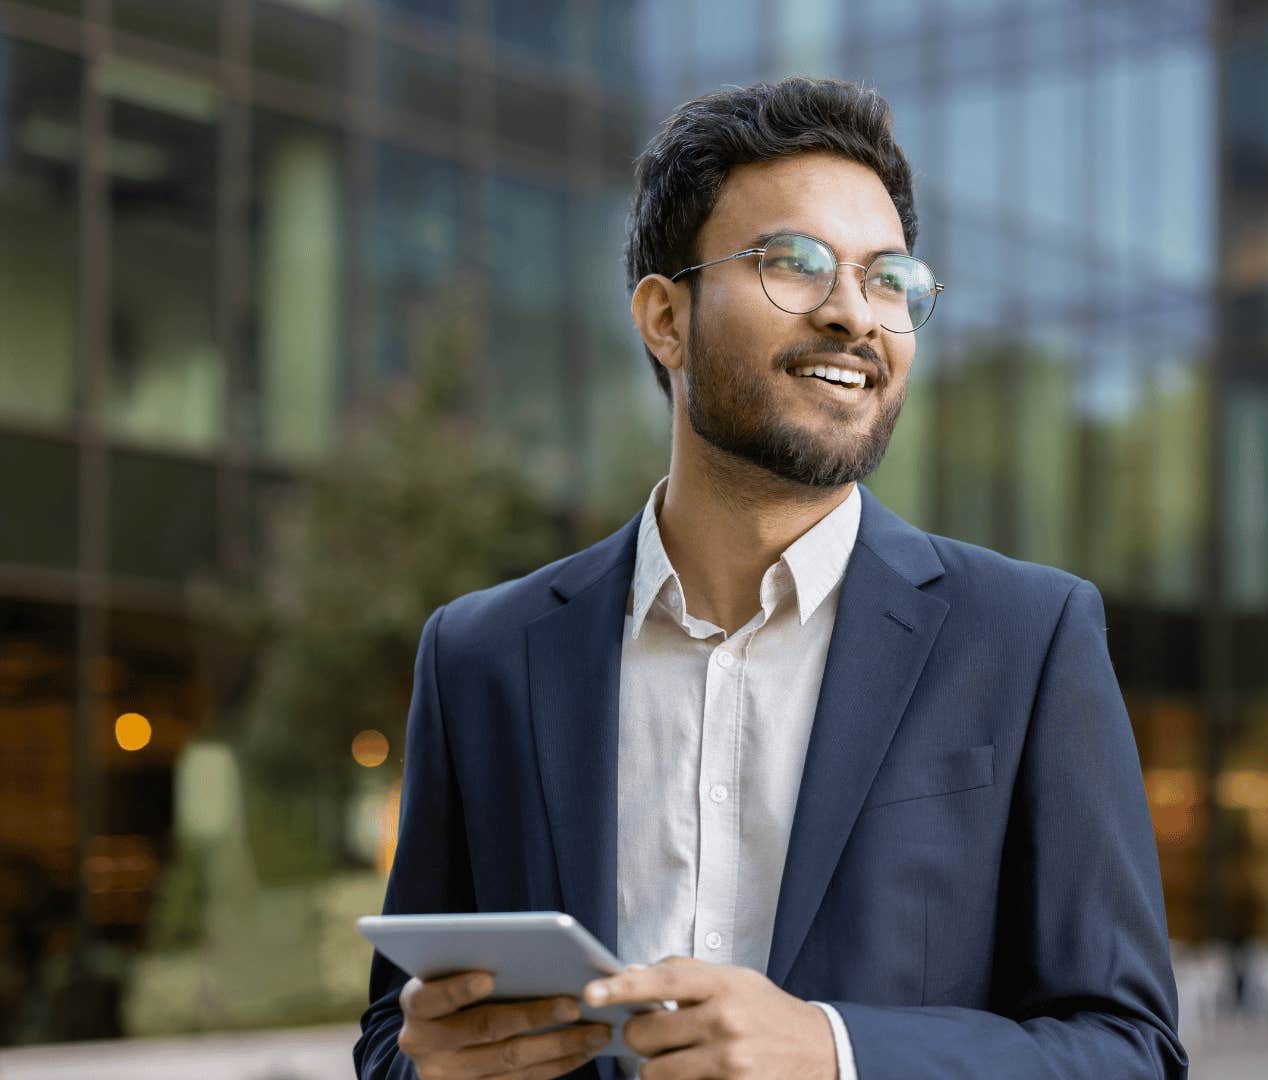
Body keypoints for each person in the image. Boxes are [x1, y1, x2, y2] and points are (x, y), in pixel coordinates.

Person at [353, 76, 1183, 1080]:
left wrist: (835, 1052)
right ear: (666, 320)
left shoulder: (1029, 638)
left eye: (889, 280)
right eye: (793, 263)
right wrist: (434, 1067)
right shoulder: (481, 655)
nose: (852, 314)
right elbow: (397, 1041)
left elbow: (1129, 1052)